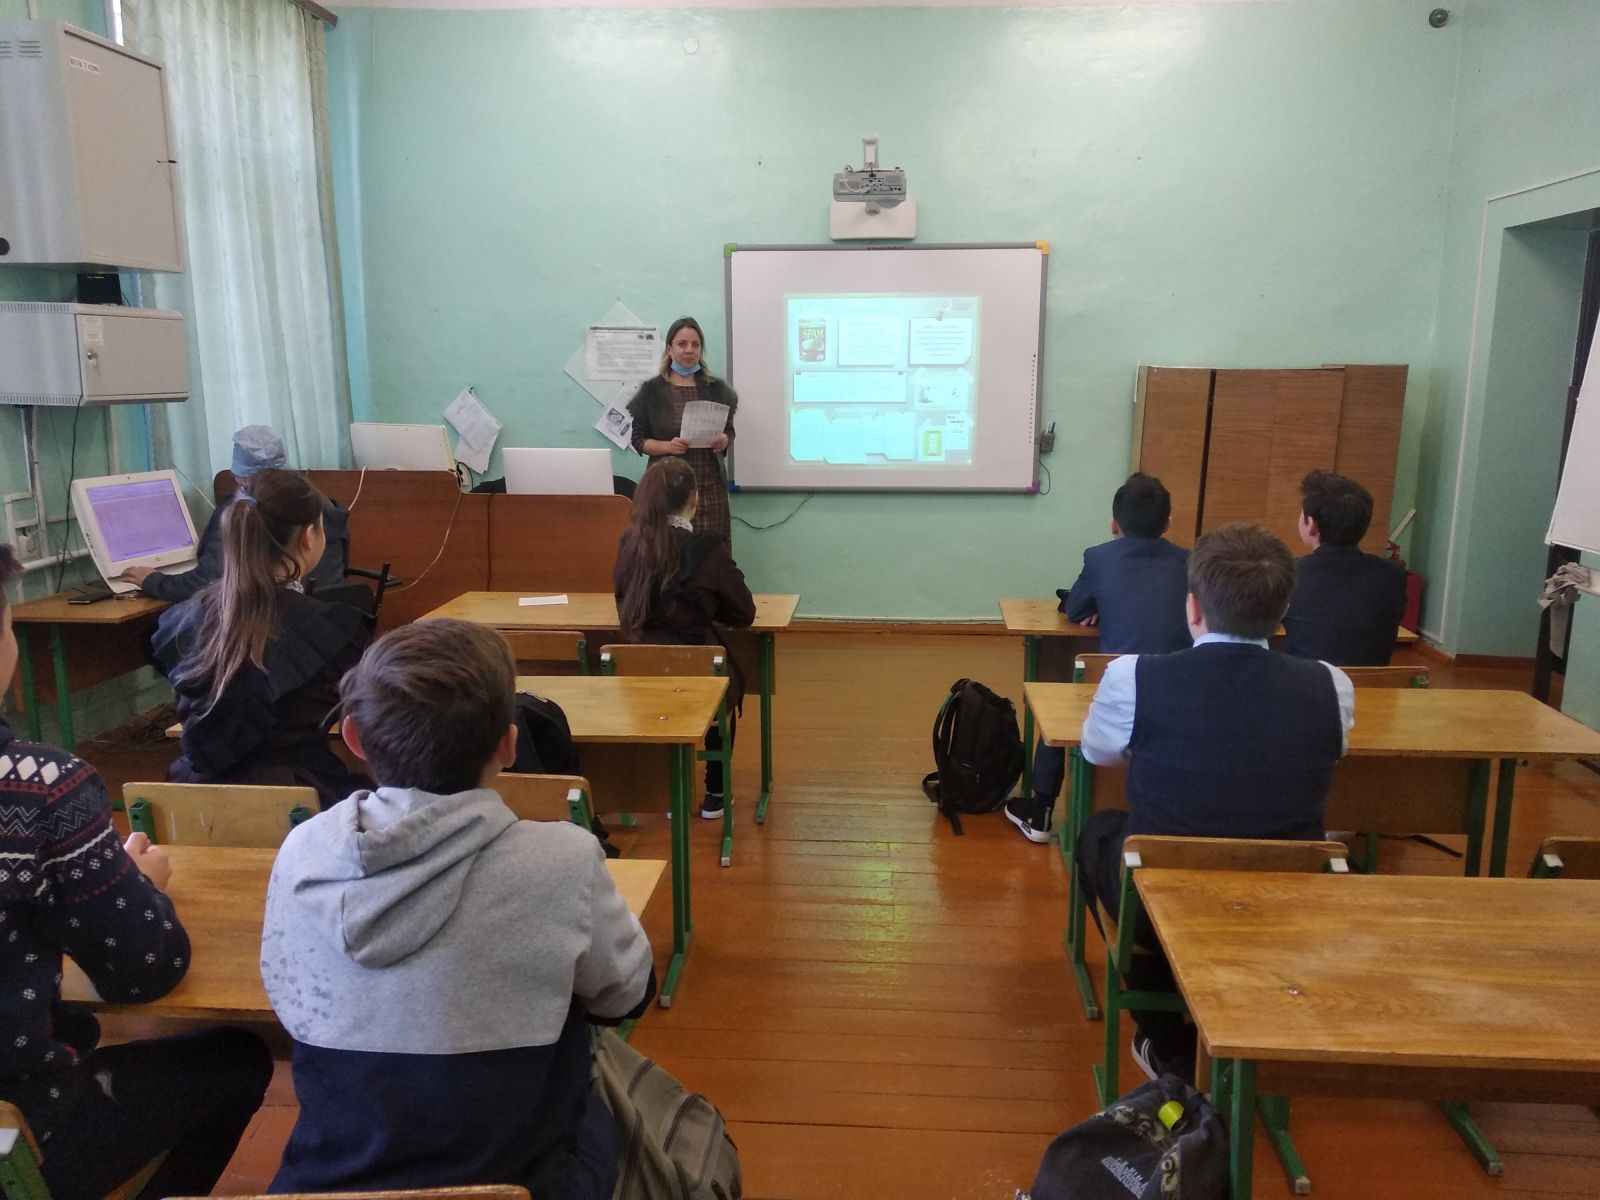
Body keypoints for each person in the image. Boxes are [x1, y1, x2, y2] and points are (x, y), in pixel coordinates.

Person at [262, 619, 655, 1198]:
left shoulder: (303, 850)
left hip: (326, 1183)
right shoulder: (565, 857)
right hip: (525, 1183)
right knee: (609, 1107)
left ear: (353, 737)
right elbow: (625, 994)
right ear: (509, 744)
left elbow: (286, 995)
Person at [0, 543, 272, 1199]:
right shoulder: (38, 788)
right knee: (235, 1059)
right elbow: (147, 969)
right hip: (22, 1141)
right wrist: (138, 884)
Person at [1074, 522, 1355, 1080]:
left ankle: (1165, 1037)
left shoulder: (1133, 676)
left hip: (1162, 905)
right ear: (1283, 611)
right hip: (1288, 903)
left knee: (1099, 833)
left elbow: (1097, 753)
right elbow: (1331, 752)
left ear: (1193, 607)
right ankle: (1263, 1007)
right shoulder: (1331, 684)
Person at [150, 469, 372, 808]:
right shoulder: (331, 628)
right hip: (303, 800)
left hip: (192, 802)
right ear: (309, 537)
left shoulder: (180, 620)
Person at [1004, 472, 1192, 844]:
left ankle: (1041, 810)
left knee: (1060, 703)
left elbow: (1074, 608)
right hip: (1180, 696)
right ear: (1169, 523)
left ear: (1113, 524)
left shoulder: (1100, 557)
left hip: (1117, 693)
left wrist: (1103, 607)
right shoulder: (1190, 562)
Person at [613, 457, 756, 819]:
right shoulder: (707, 548)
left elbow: (623, 602)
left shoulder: (629, 545)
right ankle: (716, 793)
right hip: (699, 672)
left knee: (666, 692)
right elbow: (744, 612)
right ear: (694, 499)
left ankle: (667, 793)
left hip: (640, 674)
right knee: (718, 682)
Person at [121, 425, 350, 602]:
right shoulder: (315, 500)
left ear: (241, 478)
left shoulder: (244, 510)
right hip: (320, 613)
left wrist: (154, 581)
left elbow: (207, 581)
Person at [627, 317, 738, 542]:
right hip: (669, 489)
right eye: (682, 344)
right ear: (669, 349)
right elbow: (638, 439)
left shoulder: (717, 389)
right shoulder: (652, 390)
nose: (689, 350)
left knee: (712, 553)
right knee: (668, 550)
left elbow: (729, 431)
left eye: (695, 344)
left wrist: (724, 440)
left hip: (710, 489)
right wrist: (667, 446)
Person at [1282, 469, 1407, 666]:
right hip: (1373, 684)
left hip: (1309, 682)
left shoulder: (1290, 574)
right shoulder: (1393, 575)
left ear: (1311, 524)